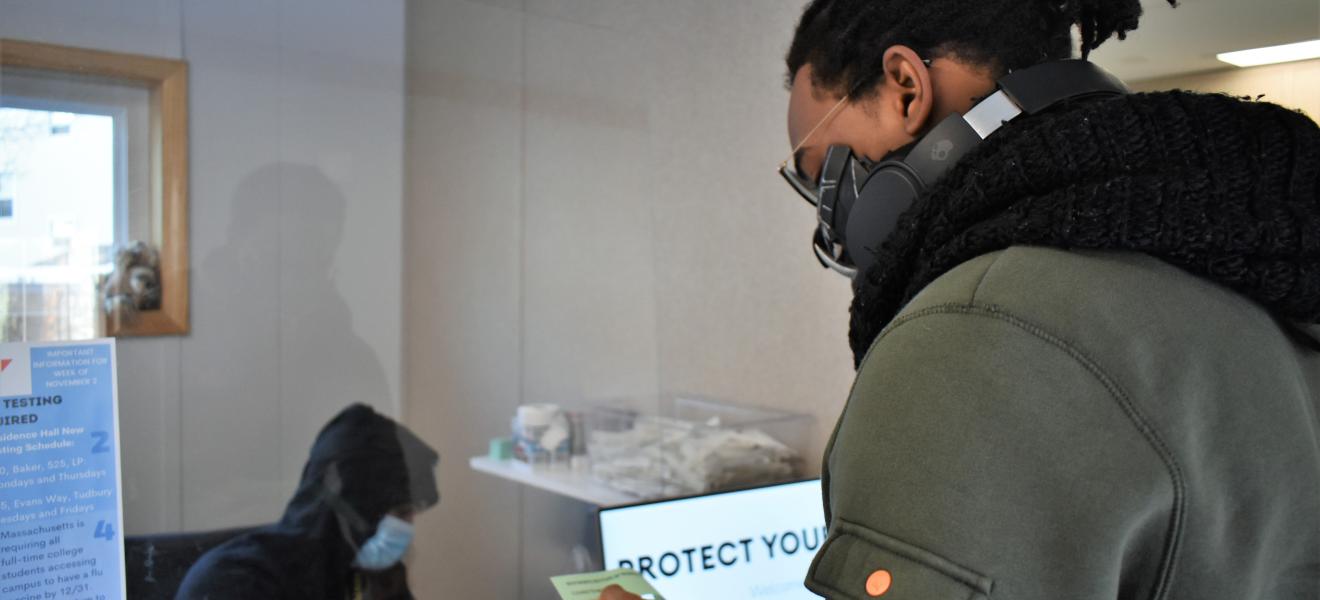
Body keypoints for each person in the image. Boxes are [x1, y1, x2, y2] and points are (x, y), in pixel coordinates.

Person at [608, 0, 1320, 598]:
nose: (829, 222)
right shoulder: (1259, 251)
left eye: (820, 173)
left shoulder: (973, 334)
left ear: (905, 88)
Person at [176, 404, 440, 600]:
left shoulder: (377, 576)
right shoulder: (234, 583)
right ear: (356, 509)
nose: (409, 526)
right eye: (401, 512)